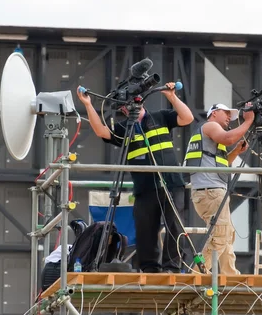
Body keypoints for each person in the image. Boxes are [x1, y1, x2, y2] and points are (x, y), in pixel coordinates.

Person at [76, 82, 194, 273]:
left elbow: (187, 118)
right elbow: (101, 131)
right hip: (144, 188)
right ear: (123, 108)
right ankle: (149, 269)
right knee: (145, 229)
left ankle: (171, 267)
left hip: (171, 183)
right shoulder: (124, 128)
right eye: (127, 104)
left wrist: (172, 97)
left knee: (174, 226)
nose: (132, 106)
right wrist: (88, 104)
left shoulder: (161, 117)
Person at [184, 103, 255, 275]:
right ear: (214, 113)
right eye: (226, 113)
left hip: (210, 191)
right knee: (220, 234)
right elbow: (229, 138)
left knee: (227, 233)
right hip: (210, 192)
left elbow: (221, 164)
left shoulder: (210, 139)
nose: (229, 117)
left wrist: (236, 152)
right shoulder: (210, 126)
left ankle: (229, 273)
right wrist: (249, 121)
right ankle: (198, 273)